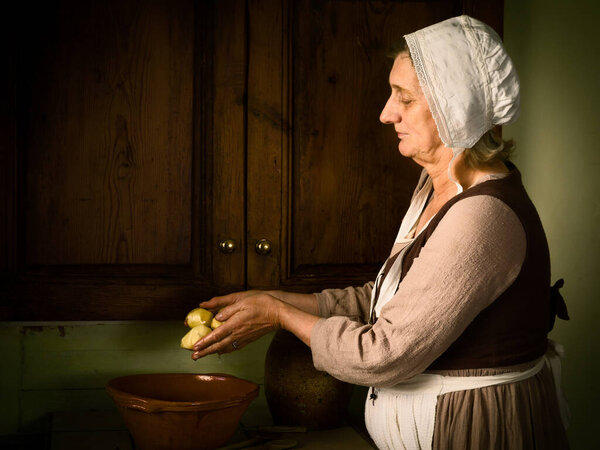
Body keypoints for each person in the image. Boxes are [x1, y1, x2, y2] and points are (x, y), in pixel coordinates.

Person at [192, 15, 570, 449]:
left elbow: (384, 354)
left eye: (403, 98)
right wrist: (273, 300)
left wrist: (279, 316)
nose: (386, 113)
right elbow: (389, 301)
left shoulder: (484, 216)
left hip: (474, 430)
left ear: (456, 106)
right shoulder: (437, 185)